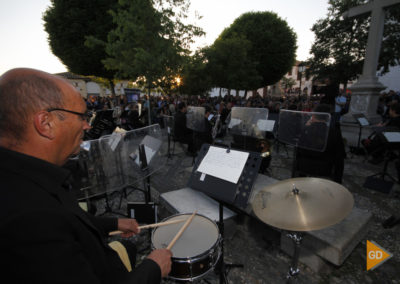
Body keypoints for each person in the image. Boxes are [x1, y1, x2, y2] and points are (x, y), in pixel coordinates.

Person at [0, 68, 172, 283]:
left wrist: (113, 223)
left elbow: (70, 223)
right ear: (46, 123)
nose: (88, 125)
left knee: (127, 246)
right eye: (81, 116)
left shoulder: (29, 177)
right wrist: (153, 268)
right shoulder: (29, 219)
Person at [295, 104, 346, 183]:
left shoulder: (306, 129)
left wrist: (306, 127)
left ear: (314, 116)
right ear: (328, 117)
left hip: (304, 166)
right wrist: (338, 180)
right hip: (324, 168)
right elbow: (340, 157)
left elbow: (299, 149)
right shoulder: (334, 132)